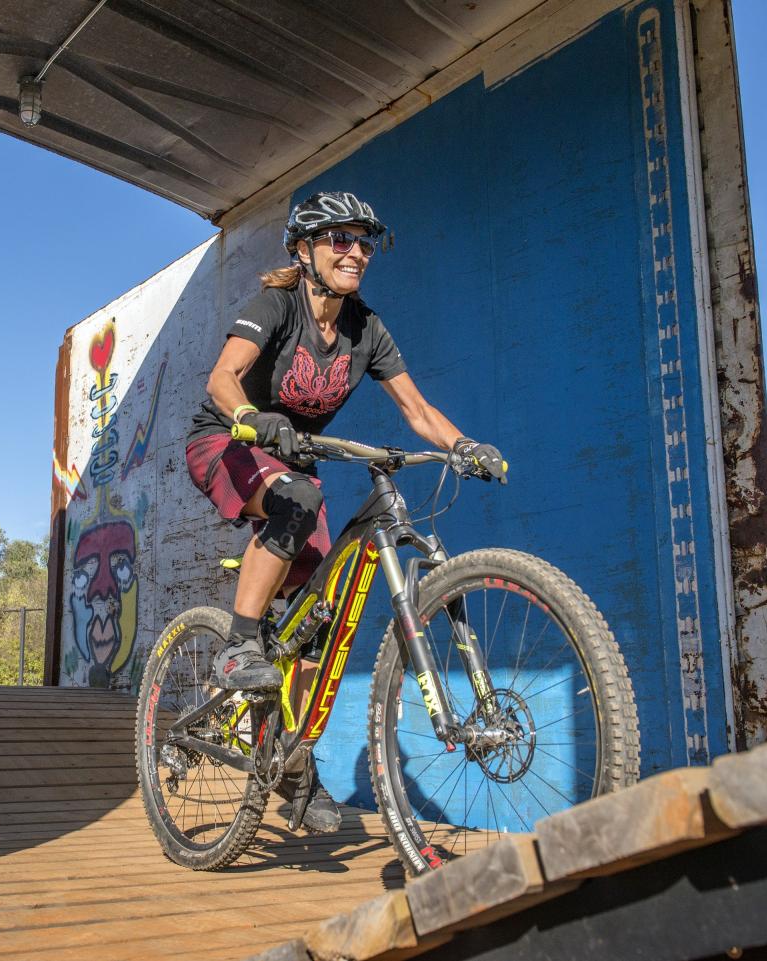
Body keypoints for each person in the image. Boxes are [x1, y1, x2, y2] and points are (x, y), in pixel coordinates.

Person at [184, 191, 505, 833]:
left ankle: (294, 763)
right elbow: (222, 378)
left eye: (364, 242)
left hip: (292, 459)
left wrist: (464, 446)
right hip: (228, 440)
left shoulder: (366, 328)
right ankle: (239, 646)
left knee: (318, 620)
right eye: (339, 239)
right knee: (298, 499)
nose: (355, 251)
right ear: (304, 250)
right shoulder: (276, 305)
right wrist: (250, 416)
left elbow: (417, 411)